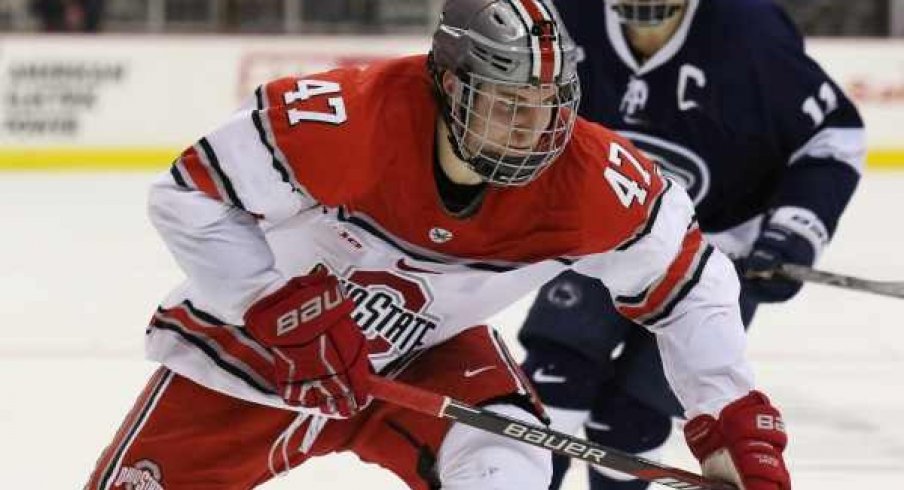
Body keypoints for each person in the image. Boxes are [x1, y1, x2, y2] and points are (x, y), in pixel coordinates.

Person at [85, 0, 792, 489]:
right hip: (257, 355)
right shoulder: (350, 120)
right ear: (450, 85)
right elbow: (187, 194)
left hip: (426, 355)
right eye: (510, 104)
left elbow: (691, 284)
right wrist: (272, 302)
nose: (535, 129)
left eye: (550, 106)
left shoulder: (588, 180)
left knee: (509, 459)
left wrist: (728, 419)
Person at [516, 0, 864, 489]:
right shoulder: (566, 18)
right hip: (604, 238)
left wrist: (796, 229)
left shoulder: (750, 33)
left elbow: (833, 136)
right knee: (555, 380)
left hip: (716, 260)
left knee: (632, 419)